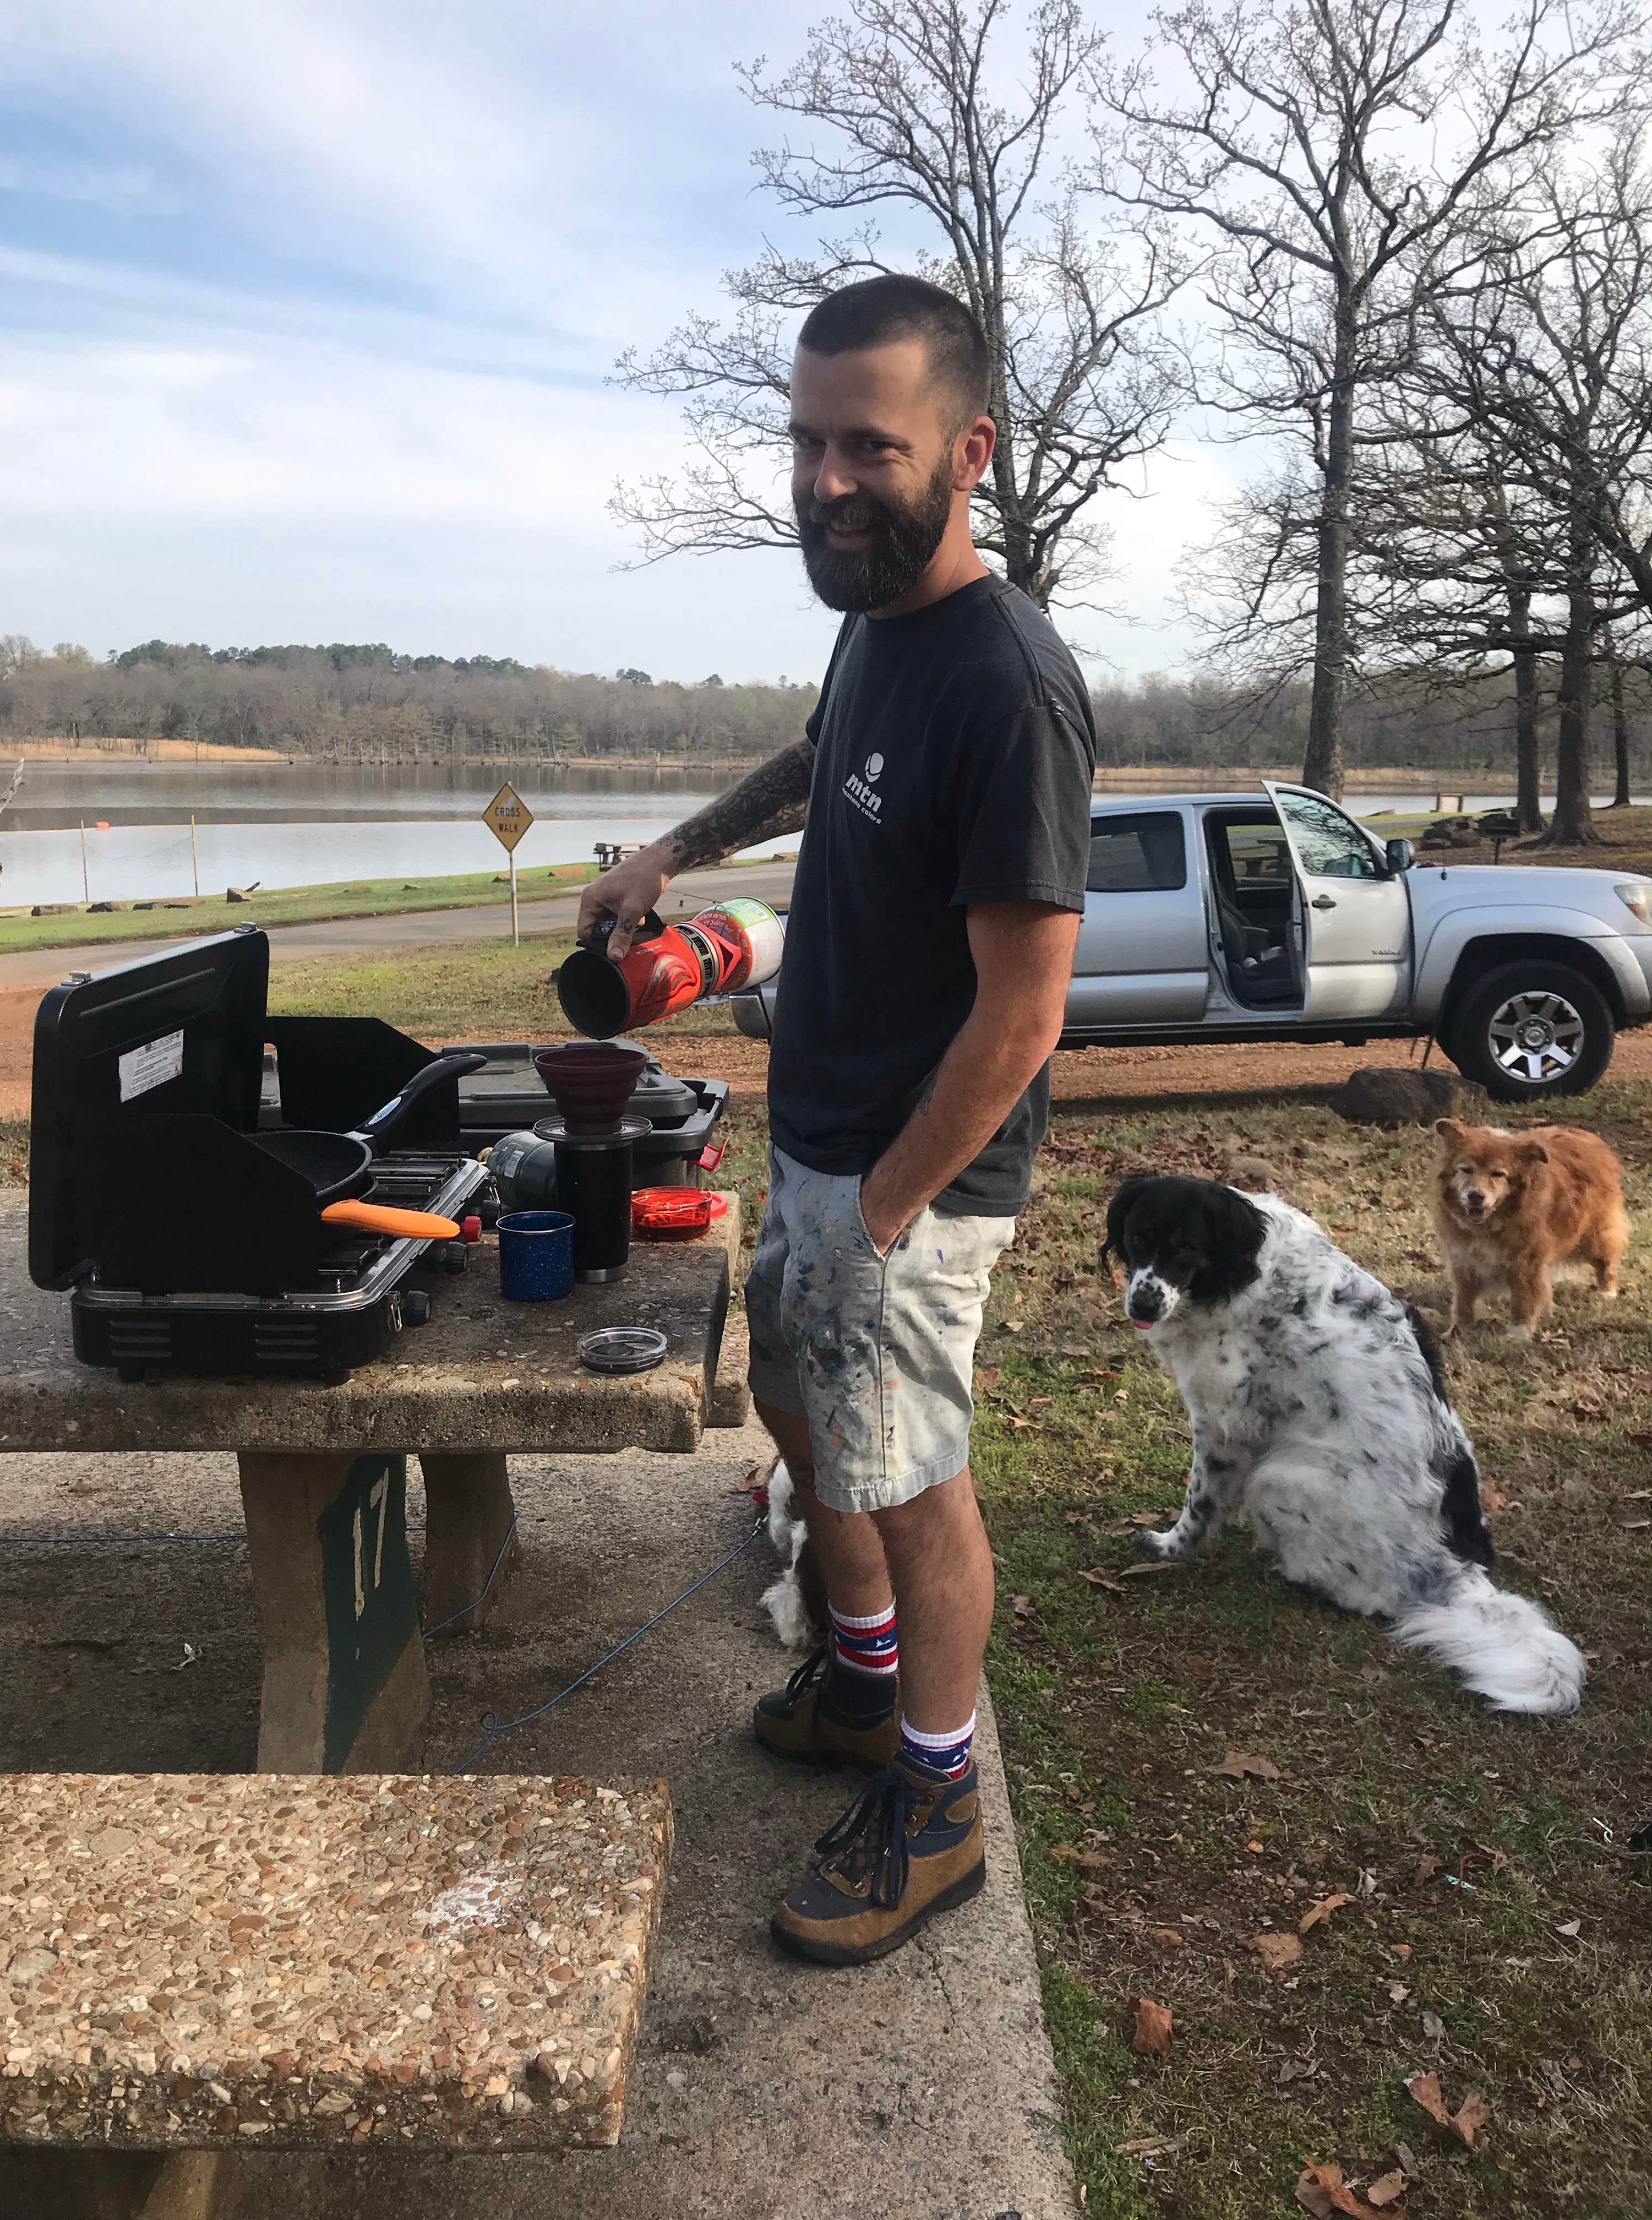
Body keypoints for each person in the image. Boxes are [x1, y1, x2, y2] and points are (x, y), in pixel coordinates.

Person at [579, 274, 1097, 1965]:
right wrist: (674, 853)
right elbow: (810, 765)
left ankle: (937, 1805)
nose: (825, 481)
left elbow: (1025, 1014)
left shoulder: (1006, 686)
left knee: (918, 1475)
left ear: (969, 451)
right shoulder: (875, 623)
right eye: (807, 441)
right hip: (821, 1145)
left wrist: (881, 1208)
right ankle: (866, 1682)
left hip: (915, 1180)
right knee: (804, 1414)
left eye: (866, 445)